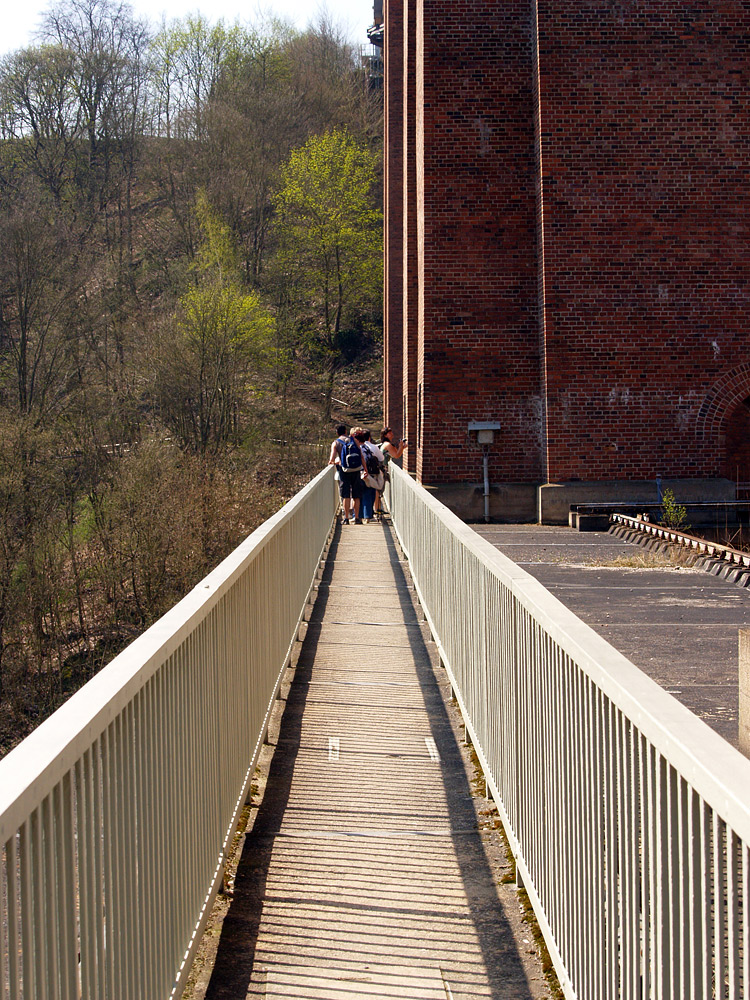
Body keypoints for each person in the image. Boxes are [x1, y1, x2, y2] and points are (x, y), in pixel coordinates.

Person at [337, 426, 366, 524]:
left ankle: (346, 518)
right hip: (356, 470)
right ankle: (357, 517)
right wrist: (365, 469)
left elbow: (335, 456)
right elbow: (361, 457)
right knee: (356, 495)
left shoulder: (339, 442)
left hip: (344, 471)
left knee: (346, 495)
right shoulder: (356, 442)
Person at [360, 430, 385, 523]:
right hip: (370, 474)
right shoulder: (373, 447)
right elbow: (381, 458)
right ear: (369, 437)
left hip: (359, 473)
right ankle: (368, 516)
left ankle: (358, 516)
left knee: (358, 495)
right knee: (369, 494)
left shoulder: (358, 447)